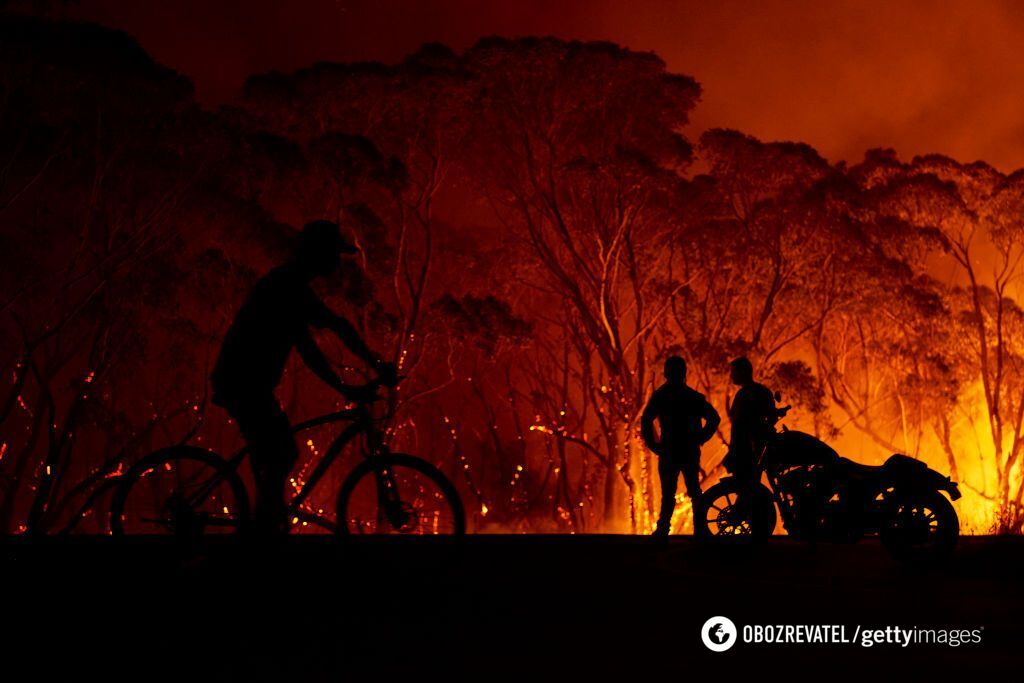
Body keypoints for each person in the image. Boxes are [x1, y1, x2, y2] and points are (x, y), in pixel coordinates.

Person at [211, 219, 396, 536]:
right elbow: (322, 340)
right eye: (333, 254)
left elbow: (324, 337)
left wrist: (363, 372)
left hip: (249, 382)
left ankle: (265, 524)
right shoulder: (287, 286)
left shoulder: (291, 284)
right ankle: (262, 529)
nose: (336, 262)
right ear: (317, 253)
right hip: (242, 382)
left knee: (276, 452)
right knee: (281, 451)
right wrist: (357, 378)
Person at [640, 356, 720, 537]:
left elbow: (646, 419)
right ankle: (700, 529)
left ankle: (663, 529)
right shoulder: (693, 397)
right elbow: (714, 418)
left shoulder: (661, 396)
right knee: (694, 491)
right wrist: (701, 438)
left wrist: (654, 445)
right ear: (684, 373)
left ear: (666, 373)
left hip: (668, 450)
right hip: (688, 450)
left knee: (669, 493)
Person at [724, 356, 776, 483]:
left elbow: (737, 427)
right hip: (757, 448)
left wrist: (733, 451)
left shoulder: (743, 395)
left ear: (742, 372)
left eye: (733, 371)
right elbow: (772, 417)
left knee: (746, 486)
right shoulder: (763, 391)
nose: (731, 375)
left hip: (745, 452)